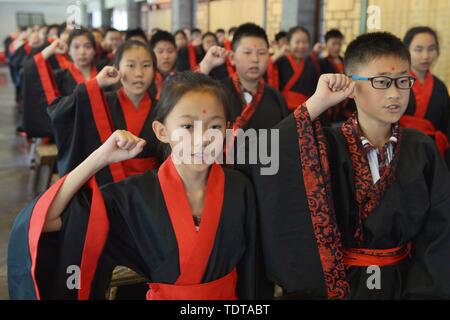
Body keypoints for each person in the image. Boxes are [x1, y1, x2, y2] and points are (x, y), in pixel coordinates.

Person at [9, 72, 267, 300]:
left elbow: (253, 269)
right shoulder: (134, 196)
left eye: (214, 126)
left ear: (228, 130)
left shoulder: (240, 188)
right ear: (161, 131)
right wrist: (100, 157)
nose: (202, 140)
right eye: (187, 126)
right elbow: (48, 220)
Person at [250, 32, 450, 299]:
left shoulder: (422, 148)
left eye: (403, 81)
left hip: (405, 282)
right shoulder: (326, 145)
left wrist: (424, 291)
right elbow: (264, 153)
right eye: (381, 82)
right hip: (341, 285)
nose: (395, 93)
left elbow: (439, 230)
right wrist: (315, 105)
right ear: (352, 86)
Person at [48, 40, 160, 185]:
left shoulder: (162, 108)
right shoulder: (100, 102)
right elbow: (57, 112)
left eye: (146, 65)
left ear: (154, 70)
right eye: (131, 65)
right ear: (117, 68)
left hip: (151, 186)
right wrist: (96, 83)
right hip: (108, 186)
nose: (139, 73)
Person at [199, 23, 288, 151]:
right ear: (232, 57)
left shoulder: (276, 98)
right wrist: (206, 66)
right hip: (224, 168)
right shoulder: (217, 93)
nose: (255, 59)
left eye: (262, 53)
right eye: (247, 52)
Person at [21, 28, 100, 138]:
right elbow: (30, 71)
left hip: (101, 133)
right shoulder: (59, 77)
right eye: (76, 47)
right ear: (69, 51)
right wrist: (50, 49)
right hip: (70, 136)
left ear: (94, 50)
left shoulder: (104, 75)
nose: (82, 52)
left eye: (87, 46)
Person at [401, 26, 450, 166]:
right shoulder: (395, 82)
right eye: (418, 49)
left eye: (431, 49)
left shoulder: (440, 87)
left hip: (432, 151)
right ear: (406, 50)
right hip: (400, 149)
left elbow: (446, 125)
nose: (426, 56)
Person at [268, 26, 319, 111]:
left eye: (305, 42)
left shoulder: (311, 65)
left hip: (305, 111)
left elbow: (314, 91)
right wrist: (279, 53)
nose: (301, 46)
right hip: (283, 109)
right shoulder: (280, 61)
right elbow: (266, 69)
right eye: (297, 42)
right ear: (288, 44)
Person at [150, 30, 178, 99]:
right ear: (151, 54)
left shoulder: (181, 79)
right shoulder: (146, 80)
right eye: (160, 51)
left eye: (170, 51)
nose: (166, 56)